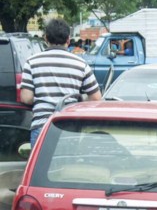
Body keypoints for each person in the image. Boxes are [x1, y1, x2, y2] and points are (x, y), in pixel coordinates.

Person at [20, 19, 102, 147]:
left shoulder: (32, 62)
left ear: (46, 38)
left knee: (41, 166)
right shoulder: (81, 64)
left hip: (42, 127)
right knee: (68, 166)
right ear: (68, 40)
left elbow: (26, 98)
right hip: (70, 126)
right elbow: (96, 98)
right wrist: (79, 100)